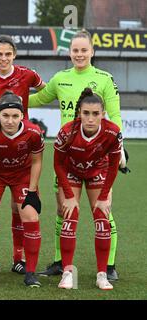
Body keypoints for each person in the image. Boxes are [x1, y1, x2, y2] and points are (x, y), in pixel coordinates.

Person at [29, 30, 126, 280]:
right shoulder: (61, 78)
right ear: (69, 52)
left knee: (104, 210)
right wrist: (12, 99)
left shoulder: (104, 78)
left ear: (92, 52)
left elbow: (114, 114)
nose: (79, 54)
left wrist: (120, 146)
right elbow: (39, 98)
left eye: (84, 50)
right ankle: (61, 263)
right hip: (68, 156)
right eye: (75, 50)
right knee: (63, 210)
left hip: (97, 156)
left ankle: (110, 267)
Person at [0, 35, 46, 274]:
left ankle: (19, 259)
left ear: (14, 55)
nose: (3, 58)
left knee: (20, 209)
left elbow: (44, 90)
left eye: (8, 54)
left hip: (20, 137)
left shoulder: (27, 74)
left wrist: (22, 111)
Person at [54, 88, 121, 290]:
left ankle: (102, 274)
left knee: (102, 216)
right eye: (86, 113)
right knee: (70, 216)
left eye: (95, 114)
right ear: (79, 113)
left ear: (103, 114)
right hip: (71, 171)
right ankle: (67, 272)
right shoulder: (67, 131)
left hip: (97, 172)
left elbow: (114, 165)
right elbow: (57, 164)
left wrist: (104, 195)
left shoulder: (112, 132)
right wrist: (68, 195)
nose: (90, 119)